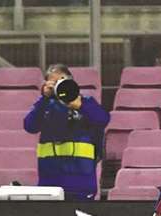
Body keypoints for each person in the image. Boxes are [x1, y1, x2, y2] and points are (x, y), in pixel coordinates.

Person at [24, 63, 110, 200]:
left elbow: (103, 119)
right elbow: (29, 126)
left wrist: (81, 106)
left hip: (81, 183)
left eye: (63, 81)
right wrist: (44, 98)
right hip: (49, 184)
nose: (59, 86)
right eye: (54, 82)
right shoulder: (45, 106)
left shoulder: (86, 102)